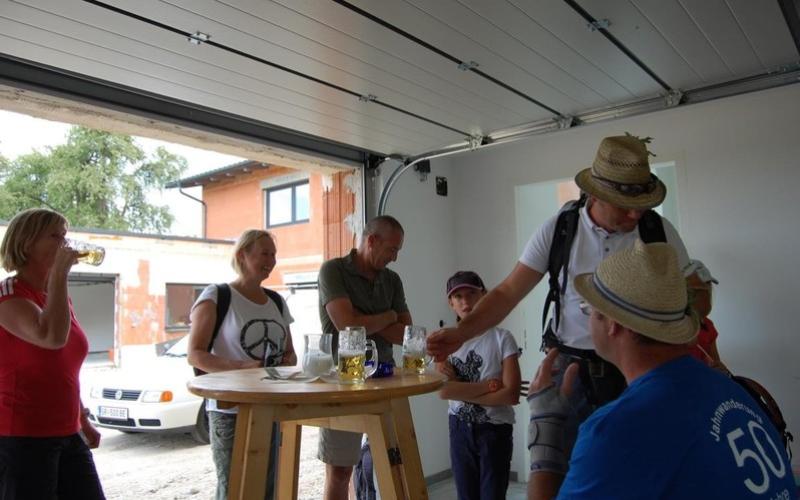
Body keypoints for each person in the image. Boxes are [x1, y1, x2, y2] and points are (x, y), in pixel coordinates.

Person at [427, 134, 694, 494]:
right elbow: (507, 292)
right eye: (625, 205)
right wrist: (461, 334)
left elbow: (692, 296)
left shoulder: (658, 231)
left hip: (640, 366)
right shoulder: (559, 230)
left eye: (641, 205)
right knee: (553, 470)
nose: (635, 214)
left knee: (638, 474)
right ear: (596, 194)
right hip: (569, 367)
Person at [526, 240, 796, 499]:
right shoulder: (731, 389)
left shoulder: (617, 429)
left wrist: (545, 428)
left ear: (613, 323)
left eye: (588, 310)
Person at [0, 208, 105, 500]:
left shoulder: (56, 297)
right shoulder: (8, 295)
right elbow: (51, 337)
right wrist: (60, 272)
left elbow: (63, 369)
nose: (65, 244)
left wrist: (82, 419)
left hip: (67, 432)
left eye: (65, 236)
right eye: (55, 236)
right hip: (21, 438)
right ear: (26, 243)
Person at [187, 229, 296, 500]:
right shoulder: (217, 295)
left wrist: (285, 361)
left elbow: (291, 354)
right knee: (234, 490)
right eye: (264, 253)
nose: (271, 261)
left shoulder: (276, 301)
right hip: (230, 411)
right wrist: (243, 368)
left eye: (274, 254)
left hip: (269, 407)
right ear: (242, 255)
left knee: (267, 490)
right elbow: (195, 355)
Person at [317, 215, 412, 500]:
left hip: (386, 379)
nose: (395, 258)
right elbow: (347, 326)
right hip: (342, 382)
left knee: (395, 464)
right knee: (340, 472)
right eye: (392, 249)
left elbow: (406, 335)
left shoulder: (392, 280)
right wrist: (388, 316)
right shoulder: (333, 270)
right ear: (371, 241)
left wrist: (363, 321)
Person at [436, 271, 520, 500]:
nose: (465, 302)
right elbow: (443, 391)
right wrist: (489, 386)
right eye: (458, 296)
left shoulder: (502, 338)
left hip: (494, 430)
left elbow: (511, 395)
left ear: (484, 295)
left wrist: (460, 390)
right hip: (459, 429)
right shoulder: (446, 342)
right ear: (451, 302)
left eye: (471, 294)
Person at [684, 259, 727, 370]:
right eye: (696, 292)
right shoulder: (671, 329)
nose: (706, 296)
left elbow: (715, 361)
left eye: (708, 289)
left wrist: (721, 370)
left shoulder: (708, 326)